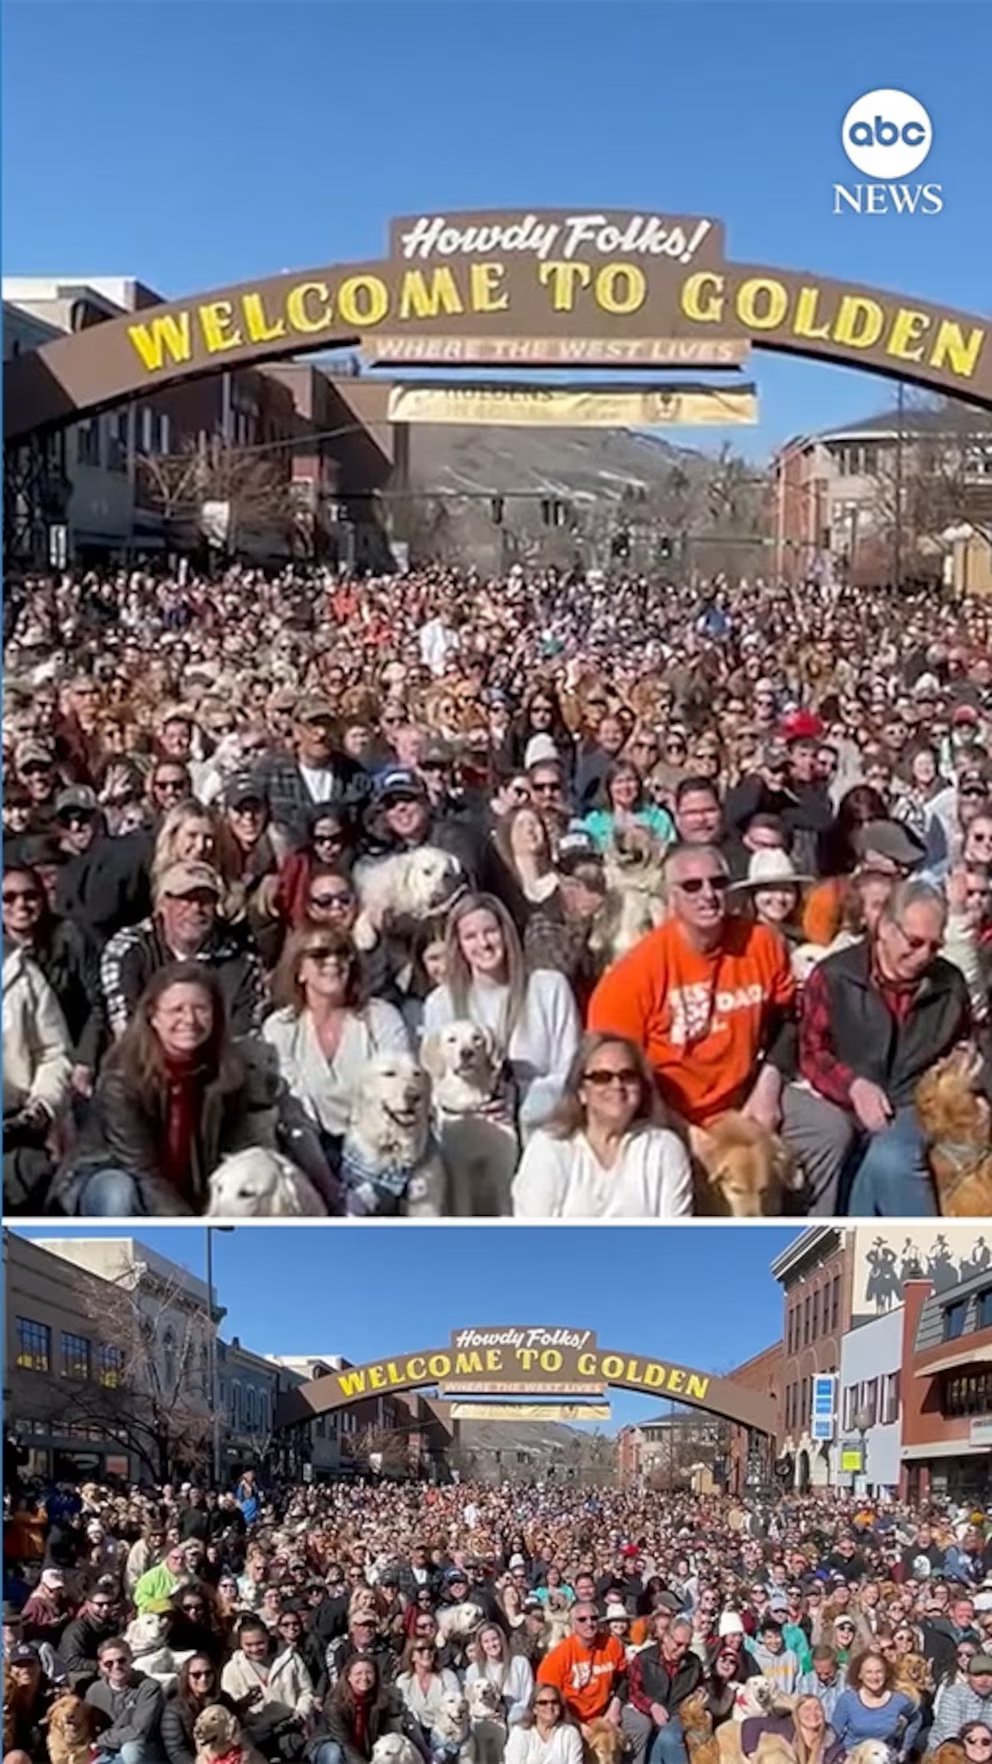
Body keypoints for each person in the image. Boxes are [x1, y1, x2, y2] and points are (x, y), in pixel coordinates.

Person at [781, 879, 972, 1216]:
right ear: (885, 927)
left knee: (890, 1159)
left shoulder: (949, 983)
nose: (923, 956)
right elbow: (812, 1052)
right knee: (861, 1186)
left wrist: (963, 1062)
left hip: (915, 1103)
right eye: (914, 942)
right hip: (849, 1102)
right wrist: (853, 1086)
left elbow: (961, 1041)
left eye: (934, 946)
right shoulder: (834, 976)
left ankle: (930, 1263)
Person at [589, 842, 795, 1131]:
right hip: (666, 1112)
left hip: (747, 1096)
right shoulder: (635, 973)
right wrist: (684, 1132)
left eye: (718, 883)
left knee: (826, 1129)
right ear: (671, 898)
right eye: (692, 886)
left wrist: (768, 1086)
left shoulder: (762, 943)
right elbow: (612, 1072)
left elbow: (788, 1021)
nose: (708, 895)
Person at [57, 962, 287, 1216]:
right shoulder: (121, 1079)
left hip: (189, 1189)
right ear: (153, 1017)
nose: (189, 1019)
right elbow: (141, 1170)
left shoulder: (228, 1073)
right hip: (111, 1179)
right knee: (119, 1189)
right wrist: (189, 1227)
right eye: (176, 1010)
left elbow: (238, 1155)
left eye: (201, 1009)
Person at [423, 893, 580, 1138]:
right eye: (470, 937)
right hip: (469, 1132)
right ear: (459, 945)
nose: (483, 943)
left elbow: (571, 1071)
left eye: (491, 931)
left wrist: (517, 1101)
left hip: (541, 1128)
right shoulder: (440, 1002)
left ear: (506, 933)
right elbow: (435, 1078)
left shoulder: (549, 988)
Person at [263, 923, 409, 1163]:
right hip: (310, 1153)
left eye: (342, 952)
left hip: (380, 1150)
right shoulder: (280, 1028)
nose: (333, 961)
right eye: (320, 955)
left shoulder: (382, 1017)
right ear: (300, 971)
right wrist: (327, 1186)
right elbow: (295, 1118)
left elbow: (398, 1095)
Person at [512, 1033, 694, 1218]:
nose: (617, 1085)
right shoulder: (549, 1148)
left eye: (628, 1076)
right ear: (581, 1092)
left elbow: (676, 1238)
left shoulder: (663, 1149)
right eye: (602, 1077)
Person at [100, 860, 268, 1041]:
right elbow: (126, 1029)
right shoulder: (129, 950)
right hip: (142, 1059)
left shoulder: (240, 962)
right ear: (163, 904)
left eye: (205, 900)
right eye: (185, 899)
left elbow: (244, 1036)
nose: (196, 909)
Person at [624, 1615, 702, 1764]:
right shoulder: (644, 1659)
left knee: (668, 1738)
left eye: (687, 1645)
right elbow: (634, 1691)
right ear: (666, 1637)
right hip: (650, 1713)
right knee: (654, 1748)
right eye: (678, 1644)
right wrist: (652, 1706)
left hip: (679, 1714)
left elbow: (698, 1687)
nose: (682, 1650)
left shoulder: (693, 1662)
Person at [537, 1601, 626, 1727]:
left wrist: (615, 1707)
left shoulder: (612, 1644)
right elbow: (547, 1700)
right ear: (573, 1625)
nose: (589, 1623)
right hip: (569, 1718)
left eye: (593, 1618)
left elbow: (626, 1678)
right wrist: (578, 1726)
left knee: (637, 1723)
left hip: (606, 1713)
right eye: (582, 1619)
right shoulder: (558, 1656)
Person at [320, 1654, 421, 1764]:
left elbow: (389, 1736)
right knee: (334, 1751)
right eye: (358, 1673)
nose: (364, 1678)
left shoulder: (384, 1701)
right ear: (349, 1677)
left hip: (369, 1751)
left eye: (369, 1673)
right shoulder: (335, 1704)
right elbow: (344, 1743)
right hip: (334, 1747)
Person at [830, 1648, 923, 1759]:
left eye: (879, 1672)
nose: (874, 1677)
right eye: (869, 1672)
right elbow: (834, 1734)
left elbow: (916, 1719)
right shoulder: (848, 1700)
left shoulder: (899, 1700)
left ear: (886, 1673)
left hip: (886, 1758)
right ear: (860, 1675)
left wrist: (904, 1749)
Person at [85, 1637, 164, 1764]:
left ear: (131, 1659)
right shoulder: (94, 1691)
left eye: (121, 1660)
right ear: (101, 1665)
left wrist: (103, 1738)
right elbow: (88, 1728)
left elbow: (139, 1731)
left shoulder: (148, 1687)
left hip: (142, 1750)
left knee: (130, 1751)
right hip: (106, 1750)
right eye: (109, 1663)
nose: (116, 1666)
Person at [161, 1654, 246, 1764]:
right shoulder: (174, 1709)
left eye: (208, 1673)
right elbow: (176, 1752)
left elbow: (241, 1732)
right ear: (186, 1677)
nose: (203, 1678)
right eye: (196, 1675)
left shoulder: (225, 1700)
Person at [465, 1622, 534, 1725]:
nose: (492, 1644)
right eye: (486, 1641)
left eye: (495, 1639)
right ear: (481, 1645)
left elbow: (529, 1696)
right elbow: (472, 1701)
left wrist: (514, 1714)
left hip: (516, 1719)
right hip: (486, 1720)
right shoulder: (473, 1670)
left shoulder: (520, 1663)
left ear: (502, 1640)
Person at [394, 1636, 460, 1738]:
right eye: (421, 1650)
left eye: (430, 1649)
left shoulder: (448, 1677)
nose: (427, 1653)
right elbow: (407, 1715)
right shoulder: (403, 1681)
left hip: (447, 1734)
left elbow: (456, 1708)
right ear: (412, 1656)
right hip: (416, 1735)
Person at [505, 1685, 583, 1764]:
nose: (550, 1706)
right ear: (534, 1709)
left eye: (554, 1702)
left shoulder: (569, 1734)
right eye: (543, 1703)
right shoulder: (520, 1733)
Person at [930, 1655, 992, 1746]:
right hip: (947, 1749)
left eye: (990, 1675)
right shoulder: (954, 1695)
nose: (984, 1680)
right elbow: (950, 1734)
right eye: (978, 1675)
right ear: (968, 1676)